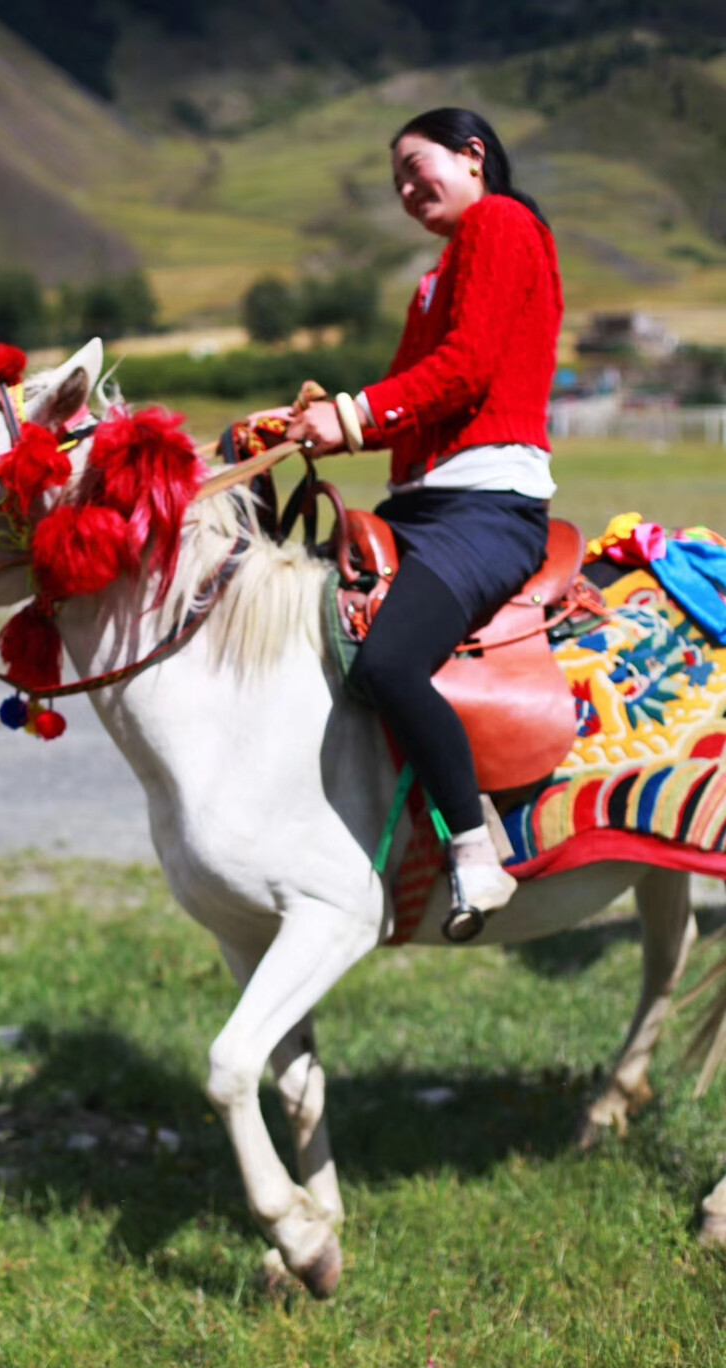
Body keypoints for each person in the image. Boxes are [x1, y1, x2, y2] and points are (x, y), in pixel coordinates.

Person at [286, 106, 563, 928]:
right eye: (397, 181)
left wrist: (352, 413)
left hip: (485, 510)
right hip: (422, 506)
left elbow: (467, 370)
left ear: (473, 155)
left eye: (418, 167)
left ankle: (477, 850)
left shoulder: (501, 223)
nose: (408, 189)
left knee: (390, 665)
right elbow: (410, 394)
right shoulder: (438, 273)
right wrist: (306, 425)